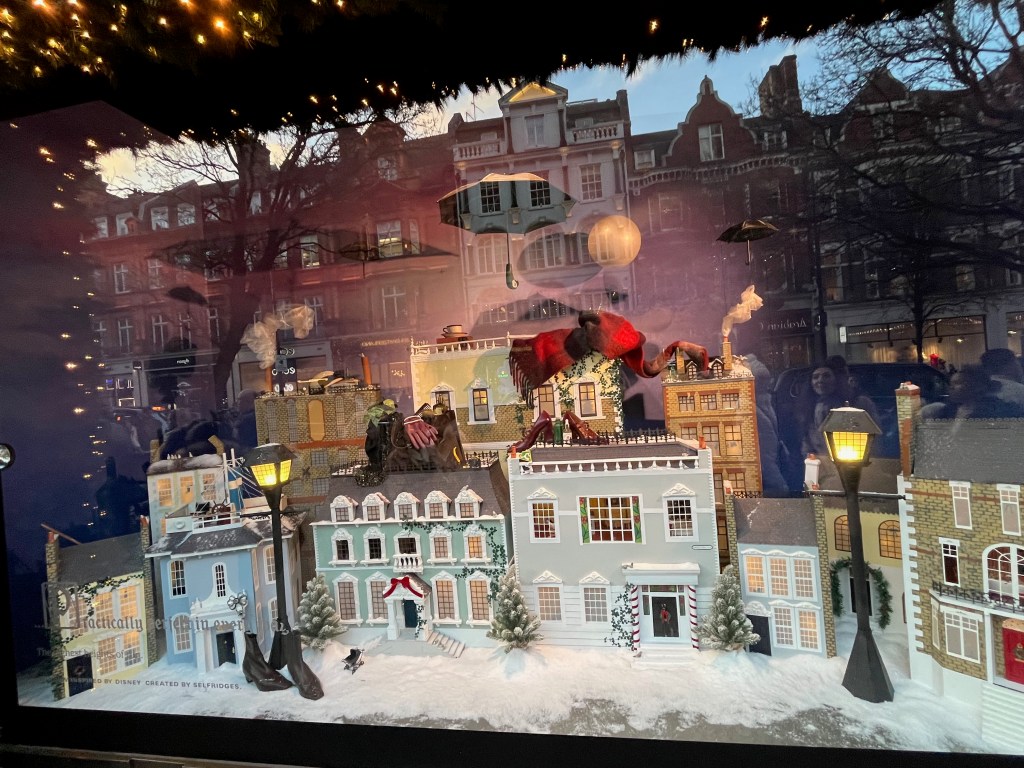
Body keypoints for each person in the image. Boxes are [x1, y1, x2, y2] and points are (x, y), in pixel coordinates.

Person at [919, 364, 1024, 420]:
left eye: (958, 383)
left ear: (975, 385)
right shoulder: (946, 410)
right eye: (951, 384)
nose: (952, 387)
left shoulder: (997, 409)